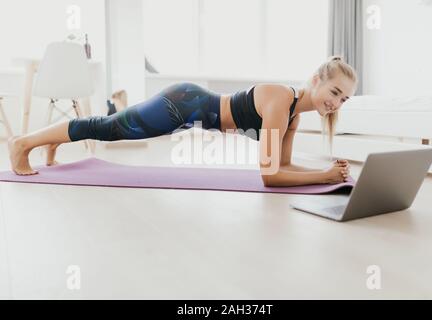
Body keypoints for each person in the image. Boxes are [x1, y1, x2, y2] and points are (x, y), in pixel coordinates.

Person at [8, 56, 357, 187]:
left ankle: (52, 140)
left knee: (107, 125)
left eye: (344, 98)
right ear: (316, 79)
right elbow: (269, 177)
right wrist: (324, 176)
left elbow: (284, 165)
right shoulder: (282, 100)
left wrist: (324, 175)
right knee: (108, 129)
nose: (337, 102)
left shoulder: (293, 112)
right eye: (335, 91)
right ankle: (23, 143)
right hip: (183, 106)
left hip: (191, 110)